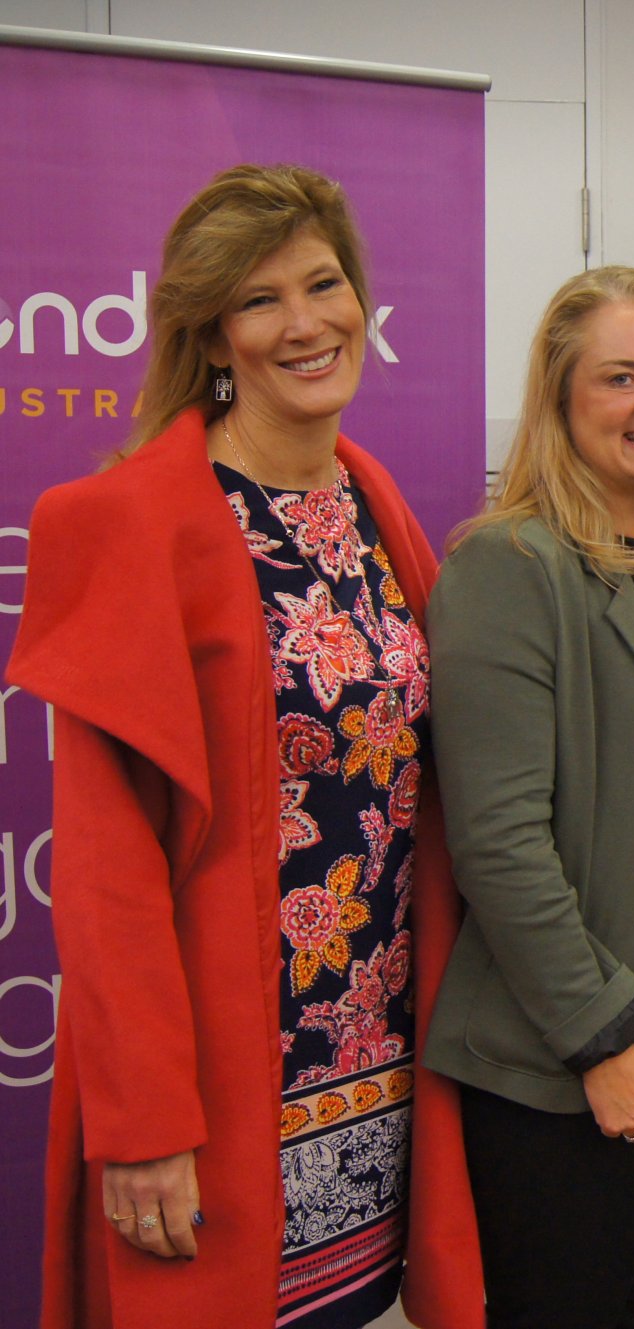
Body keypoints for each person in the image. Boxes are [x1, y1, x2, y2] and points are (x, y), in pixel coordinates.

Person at [8, 164, 482, 1329]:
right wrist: (142, 1125)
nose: (306, 322)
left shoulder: (378, 503)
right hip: (220, 1090)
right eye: (261, 300)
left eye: (324, 284)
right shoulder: (123, 521)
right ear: (212, 332)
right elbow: (109, 873)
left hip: (378, 1065)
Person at [421, 266, 634, 1329]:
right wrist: (604, 1042)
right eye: (620, 377)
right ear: (561, 402)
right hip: (578, 1041)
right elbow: (498, 841)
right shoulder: (510, 564)